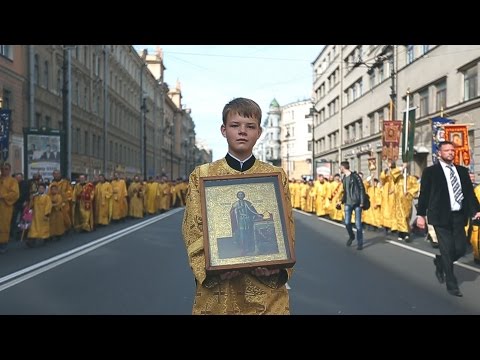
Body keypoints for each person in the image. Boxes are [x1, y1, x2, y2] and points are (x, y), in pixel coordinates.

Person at [182, 97, 295, 315]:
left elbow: (287, 225)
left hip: (265, 293)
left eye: (250, 126)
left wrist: (277, 265)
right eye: (235, 126)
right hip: (220, 291)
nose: (242, 131)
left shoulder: (275, 176)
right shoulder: (202, 175)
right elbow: (192, 229)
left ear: (259, 132)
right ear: (224, 130)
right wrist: (210, 268)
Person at [416, 141, 480, 297]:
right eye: (447, 150)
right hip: (440, 216)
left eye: (452, 150)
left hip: (459, 215)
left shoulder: (462, 171)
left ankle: (440, 262)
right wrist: (421, 214)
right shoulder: (431, 172)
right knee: (447, 248)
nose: (451, 152)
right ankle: (452, 285)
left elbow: (469, 194)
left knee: (461, 249)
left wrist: (476, 210)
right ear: (440, 153)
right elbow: (424, 194)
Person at [338, 160, 366, 250]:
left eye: (340, 167)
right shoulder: (344, 178)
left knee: (358, 224)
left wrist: (362, 201)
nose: (340, 169)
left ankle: (360, 243)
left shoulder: (355, 176)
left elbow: (362, 188)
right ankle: (351, 236)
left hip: (357, 203)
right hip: (348, 203)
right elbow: (345, 192)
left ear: (343, 167)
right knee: (347, 222)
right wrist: (341, 201)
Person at [230, 190, 262, 255]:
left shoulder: (248, 203)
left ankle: (250, 248)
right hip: (241, 221)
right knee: (242, 234)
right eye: (239, 194)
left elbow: (253, 211)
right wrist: (237, 209)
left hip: (248, 220)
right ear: (237, 196)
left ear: (244, 195)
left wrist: (257, 215)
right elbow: (232, 213)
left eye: (242, 194)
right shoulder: (235, 204)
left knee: (249, 233)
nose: (241, 196)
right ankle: (243, 248)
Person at [0, 163, 20, 253]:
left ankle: (3, 243)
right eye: (3, 169)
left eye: (6, 169)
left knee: (4, 225)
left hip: (5, 206)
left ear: (10, 170)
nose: (4, 171)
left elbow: (15, 194)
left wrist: (3, 196)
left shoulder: (13, 181)